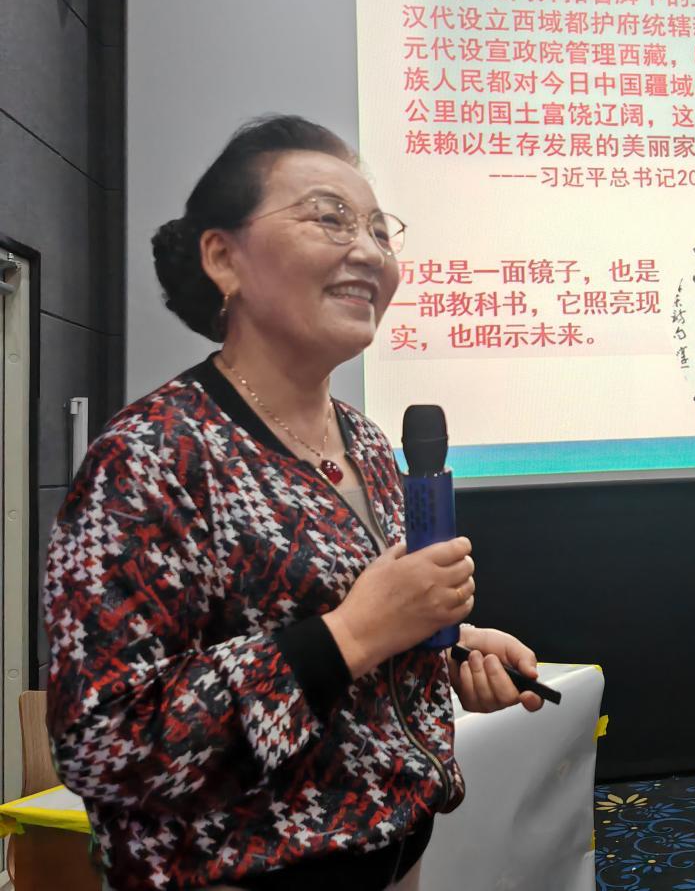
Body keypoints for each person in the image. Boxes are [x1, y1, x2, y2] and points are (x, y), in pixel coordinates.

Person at [43, 116, 545, 891]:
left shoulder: (366, 442)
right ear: (223, 257)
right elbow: (102, 741)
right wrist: (351, 634)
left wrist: (446, 648)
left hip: (397, 859)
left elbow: (341, 628)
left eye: (379, 228)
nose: (369, 250)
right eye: (329, 218)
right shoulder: (150, 453)